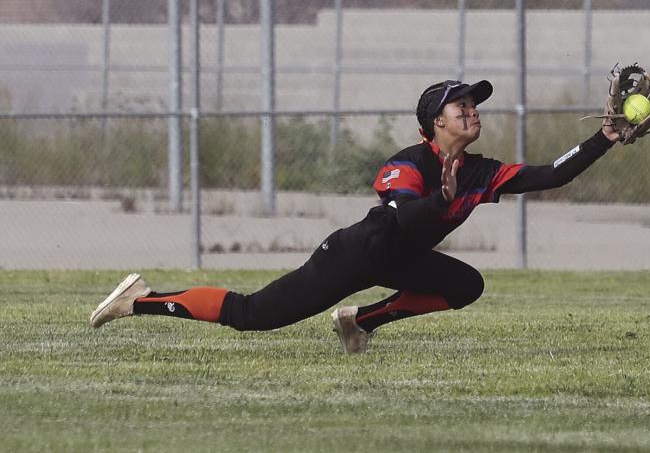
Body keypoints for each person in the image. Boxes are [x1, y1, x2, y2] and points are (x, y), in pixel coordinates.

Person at [90, 79, 621, 353]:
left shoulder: (480, 171)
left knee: (466, 285)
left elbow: (553, 173)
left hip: (402, 262)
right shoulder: (409, 163)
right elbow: (401, 218)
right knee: (252, 315)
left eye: (475, 103)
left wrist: (605, 139)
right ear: (434, 121)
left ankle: (360, 322)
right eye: (461, 104)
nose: (472, 109)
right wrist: (440, 199)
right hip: (355, 254)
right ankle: (141, 300)